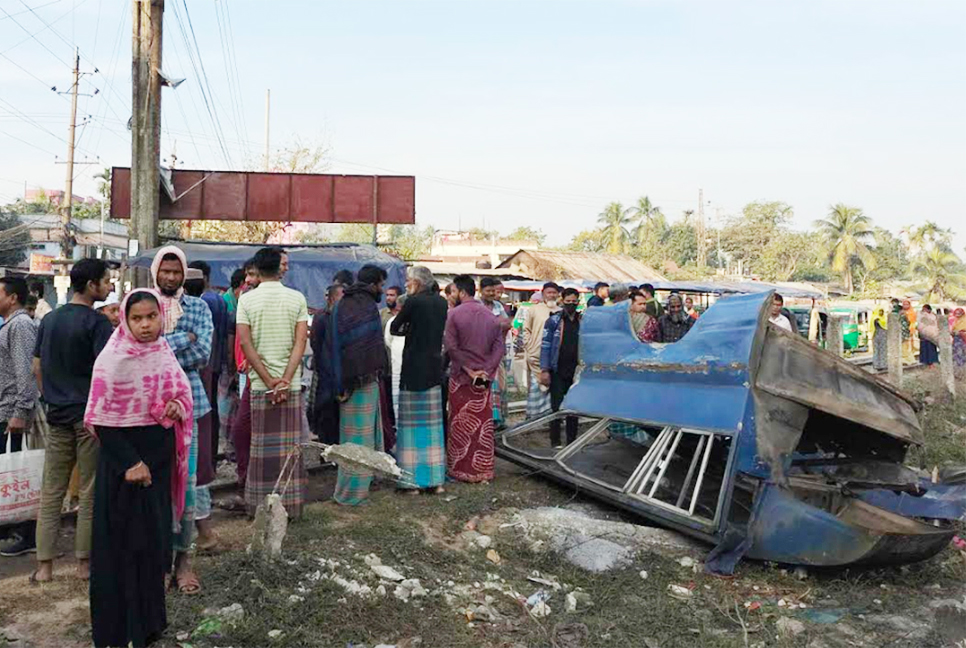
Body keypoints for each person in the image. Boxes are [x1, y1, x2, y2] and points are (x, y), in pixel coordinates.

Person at [86, 290, 193, 648]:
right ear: (125, 320)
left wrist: (177, 406)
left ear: (162, 317)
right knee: (121, 550)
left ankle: (148, 627)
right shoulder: (112, 358)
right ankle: (117, 633)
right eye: (137, 318)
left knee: (152, 547)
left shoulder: (163, 352)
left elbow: (178, 394)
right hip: (124, 470)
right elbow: (100, 419)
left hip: (158, 467)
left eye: (152, 317)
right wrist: (131, 463)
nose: (146, 325)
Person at [31, 259, 113, 581]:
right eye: (106, 282)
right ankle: (83, 565)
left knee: (52, 490)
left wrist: (51, 396)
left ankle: (44, 567)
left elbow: (37, 367)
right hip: (88, 417)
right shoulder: (97, 324)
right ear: (91, 285)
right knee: (90, 490)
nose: (108, 287)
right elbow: (105, 372)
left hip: (57, 414)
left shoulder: (49, 320)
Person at [151, 246, 213, 594]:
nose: (171, 277)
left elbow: (202, 353)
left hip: (190, 406)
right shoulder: (142, 303)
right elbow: (135, 348)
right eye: (166, 271)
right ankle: (159, 563)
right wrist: (181, 339)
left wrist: (159, 343)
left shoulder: (199, 307)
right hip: (149, 411)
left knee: (186, 489)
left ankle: (183, 562)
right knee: (157, 487)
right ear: (156, 272)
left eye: (177, 271)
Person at [236, 247, 310, 517]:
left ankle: (258, 507)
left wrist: (268, 381)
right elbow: (300, 342)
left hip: (260, 387)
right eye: (284, 263)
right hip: (288, 388)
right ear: (278, 267)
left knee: (260, 450)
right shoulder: (297, 298)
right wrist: (285, 380)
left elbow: (246, 343)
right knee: (289, 450)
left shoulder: (246, 301)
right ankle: (289, 506)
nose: (287, 267)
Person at [332, 264, 390, 505]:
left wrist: (339, 385)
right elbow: (371, 347)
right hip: (364, 382)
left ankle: (354, 488)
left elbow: (335, 347)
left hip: (348, 382)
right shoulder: (368, 306)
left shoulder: (342, 304)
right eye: (381, 285)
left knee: (352, 437)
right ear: (374, 284)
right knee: (363, 439)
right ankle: (354, 494)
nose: (383, 290)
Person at [390, 266, 448, 493]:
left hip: (413, 371)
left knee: (411, 429)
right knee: (433, 429)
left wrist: (409, 329)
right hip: (434, 369)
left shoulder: (413, 302)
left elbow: (395, 328)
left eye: (408, 281)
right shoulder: (442, 303)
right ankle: (435, 481)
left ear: (417, 282)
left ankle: (412, 482)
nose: (406, 284)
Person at [443, 275, 504, 483]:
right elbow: (499, 347)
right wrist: (486, 370)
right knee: (482, 426)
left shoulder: (454, 314)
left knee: (460, 425)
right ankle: (482, 471)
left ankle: (460, 469)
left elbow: (451, 347)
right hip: (484, 380)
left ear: (461, 292)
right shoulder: (490, 316)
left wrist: (469, 370)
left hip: (462, 378)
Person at [0, 277, 39, 557]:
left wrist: (20, 412)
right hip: (6, 409)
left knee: (19, 473)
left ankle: (26, 533)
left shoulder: (21, 325)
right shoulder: (11, 325)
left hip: (13, 412)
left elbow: (25, 371)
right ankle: (9, 527)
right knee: (8, 472)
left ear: (12, 297)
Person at [188, 261, 230, 473]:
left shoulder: (203, 303)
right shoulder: (219, 300)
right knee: (210, 413)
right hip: (215, 364)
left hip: (203, 366)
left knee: (203, 415)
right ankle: (210, 460)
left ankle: (205, 463)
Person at [540, 287, 581, 447]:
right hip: (557, 370)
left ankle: (572, 441)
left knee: (575, 407)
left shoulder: (582, 320)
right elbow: (545, 346)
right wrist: (544, 369)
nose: (571, 304)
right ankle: (555, 441)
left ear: (578, 302)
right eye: (568, 301)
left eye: (574, 301)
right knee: (556, 407)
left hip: (576, 371)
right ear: (562, 300)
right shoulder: (554, 321)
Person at [310, 285, 345, 445]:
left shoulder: (343, 316)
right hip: (325, 371)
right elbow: (316, 343)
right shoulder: (322, 317)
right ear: (332, 298)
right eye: (341, 296)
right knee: (325, 411)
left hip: (339, 372)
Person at [523, 282, 560, 419]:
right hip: (535, 354)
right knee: (535, 387)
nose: (551, 295)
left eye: (554, 292)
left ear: (558, 294)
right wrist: (529, 345)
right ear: (543, 293)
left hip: (553, 357)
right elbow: (526, 329)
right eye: (548, 292)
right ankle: (534, 417)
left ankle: (550, 417)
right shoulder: (534, 309)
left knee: (552, 386)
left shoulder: (560, 311)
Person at [480, 277, 512, 429]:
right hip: (480, 355)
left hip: (497, 352)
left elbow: (507, 324)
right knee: (482, 384)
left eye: (494, 291)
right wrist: (497, 324)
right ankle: (483, 417)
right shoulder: (477, 306)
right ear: (481, 291)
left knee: (499, 386)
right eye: (488, 291)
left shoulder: (498, 305)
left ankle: (497, 419)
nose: (492, 293)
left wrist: (495, 325)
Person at [870, 307, 889, 372]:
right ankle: (877, 364)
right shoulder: (875, 318)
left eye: (882, 311)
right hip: (876, 335)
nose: (881, 313)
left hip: (883, 335)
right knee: (876, 350)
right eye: (880, 311)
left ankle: (883, 364)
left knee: (883, 350)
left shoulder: (884, 318)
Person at [952, 308, 966, 380]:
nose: (957, 315)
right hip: (956, 341)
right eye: (956, 314)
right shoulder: (956, 321)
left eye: (959, 313)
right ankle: (958, 374)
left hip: (963, 341)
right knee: (956, 357)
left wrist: (960, 332)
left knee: (962, 356)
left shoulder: (964, 321)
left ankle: (962, 374)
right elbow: (953, 329)